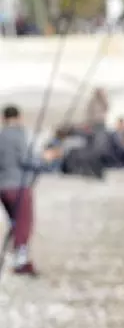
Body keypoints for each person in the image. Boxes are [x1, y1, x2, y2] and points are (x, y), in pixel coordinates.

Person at [0, 104, 58, 276]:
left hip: (2, 188)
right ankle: (21, 262)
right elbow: (26, 160)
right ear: (19, 117)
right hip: (18, 187)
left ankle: (14, 258)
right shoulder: (19, 135)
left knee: (15, 223)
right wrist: (45, 159)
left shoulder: (1, 136)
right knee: (24, 224)